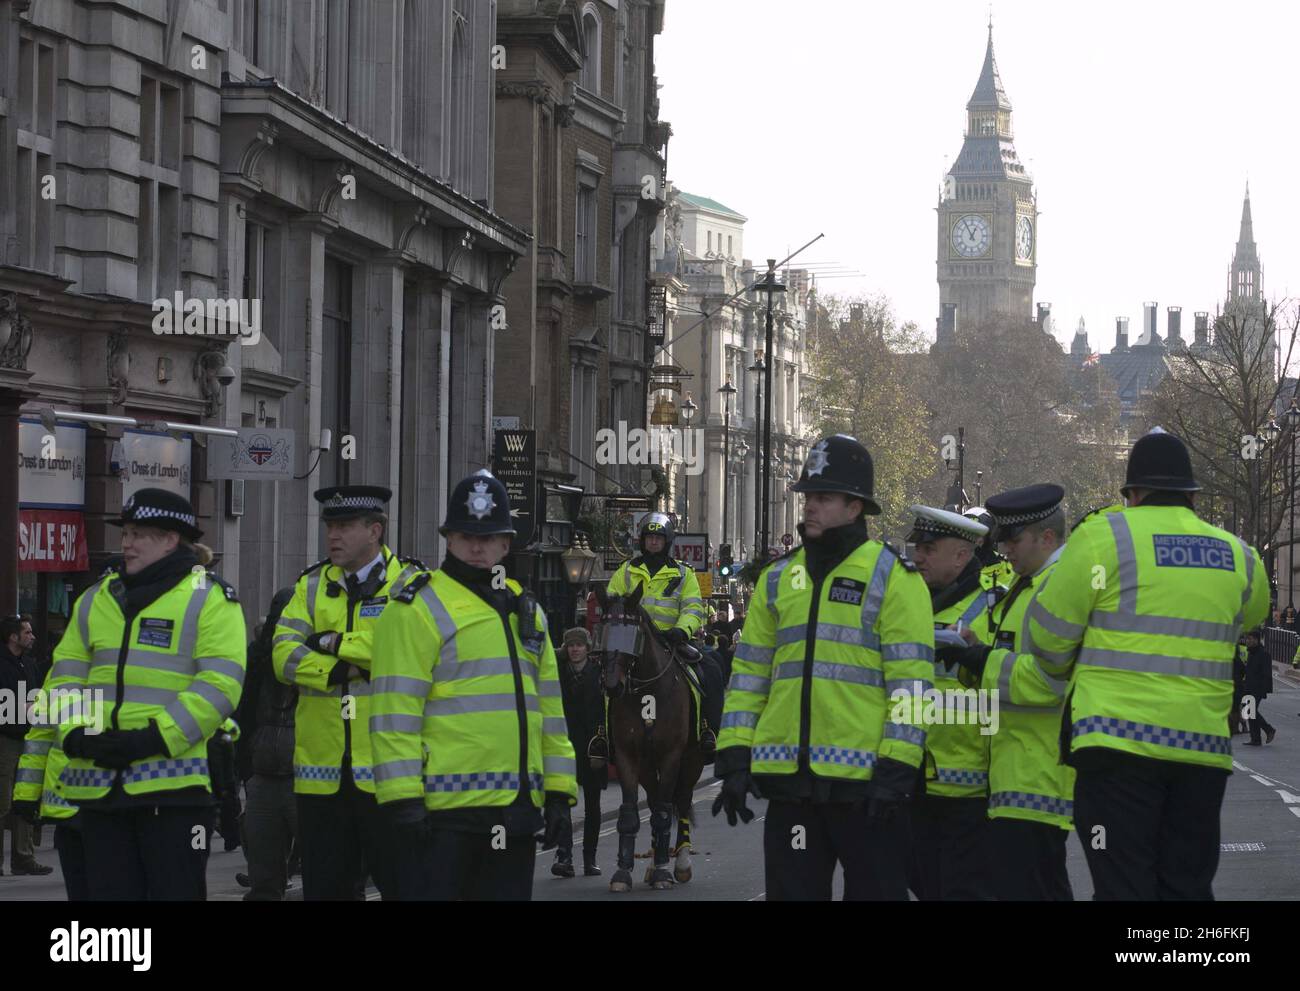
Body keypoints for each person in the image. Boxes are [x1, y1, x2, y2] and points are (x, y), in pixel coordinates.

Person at [1023, 428, 1269, 900]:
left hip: (1114, 750)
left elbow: (1047, 637)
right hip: (1201, 752)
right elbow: (1252, 615)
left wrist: (1062, 668)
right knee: (1188, 885)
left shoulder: (1103, 537)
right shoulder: (1238, 555)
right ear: (1192, 494)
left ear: (1132, 494)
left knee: (1122, 884)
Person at [714, 434, 934, 901]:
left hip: (868, 790)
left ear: (856, 508)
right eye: (808, 496)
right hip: (793, 790)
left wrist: (897, 772)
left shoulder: (892, 576)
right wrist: (734, 756)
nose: (810, 506)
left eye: (824, 497)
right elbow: (749, 677)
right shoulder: (777, 579)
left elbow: (911, 687)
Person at [13, 488, 246, 899]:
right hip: (98, 790)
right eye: (126, 532)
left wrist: (152, 738)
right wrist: (74, 733)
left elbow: (219, 686)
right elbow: (64, 677)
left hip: (175, 795)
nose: (126, 542)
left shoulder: (209, 598)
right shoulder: (95, 600)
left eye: (139, 533)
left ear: (171, 539)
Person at [369, 469, 578, 900]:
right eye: (467, 536)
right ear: (449, 538)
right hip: (442, 816)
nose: (477, 547)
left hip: (514, 813)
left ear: (506, 542)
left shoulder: (527, 613)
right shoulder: (415, 607)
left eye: (489, 537)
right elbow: (394, 712)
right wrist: (402, 799)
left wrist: (559, 792)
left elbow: (551, 715)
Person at [272, 484, 424, 901]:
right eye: (329, 527)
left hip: (388, 772)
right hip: (322, 775)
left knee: (404, 885)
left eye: (343, 526)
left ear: (375, 530)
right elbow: (282, 656)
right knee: (326, 890)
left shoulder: (409, 584)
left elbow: (403, 650)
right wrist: (342, 668)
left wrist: (333, 642)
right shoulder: (310, 586)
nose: (332, 536)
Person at [940, 484, 1076, 901]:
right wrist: (969, 657)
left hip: (1038, 778)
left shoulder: (1055, 591)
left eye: (1013, 539)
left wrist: (980, 659)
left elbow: (1051, 682)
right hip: (1016, 774)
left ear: (1047, 538)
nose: (1004, 549)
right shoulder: (1029, 585)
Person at [904, 505, 992, 901]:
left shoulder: (992, 607)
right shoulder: (905, 600)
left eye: (928, 548)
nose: (917, 556)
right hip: (909, 778)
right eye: (916, 547)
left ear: (961, 555)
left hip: (970, 786)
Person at [601, 513, 712, 759]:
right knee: (606, 679)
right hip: (629, 642)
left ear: (667, 541)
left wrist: (682, 630)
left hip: (672, 641)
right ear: (642, 541)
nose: (653, 542)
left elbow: (693, 608)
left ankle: (706, 730)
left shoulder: (684, 574)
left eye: (658, 538)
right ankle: (602, 735)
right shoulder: (627, 570)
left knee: (710, 673)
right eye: (649, 537)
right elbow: (612, 601)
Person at [236, 587, 299, 899]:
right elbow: (242, 712)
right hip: (262, 774)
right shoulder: (258, 658)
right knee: (263, 877)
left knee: (329, 875)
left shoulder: (319, 658)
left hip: (311, 777)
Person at [552, 627, 606, 878]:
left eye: (579, 645)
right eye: (570, 645)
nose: (574, 649)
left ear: (588, 647)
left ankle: (589, 858)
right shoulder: (557, 674)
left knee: (592, 805)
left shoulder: (599, 674)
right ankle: (564, 856)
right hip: (564, 745)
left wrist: (603, 744)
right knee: (561, 801)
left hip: (592, 746)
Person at [0, 615, 51, 875]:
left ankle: (23, 858)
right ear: (13, 636)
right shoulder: (3, 665)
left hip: (27, 737)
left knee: (24, 799)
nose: (32, 636)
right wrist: (23, 708)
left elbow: (37, 696)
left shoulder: (29, 665)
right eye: (27, 632)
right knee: (3, 802)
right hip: (6, 739)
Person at [1241, 630, 1276, 746]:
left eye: (1250, 639)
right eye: (1247, 639)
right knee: (1248, 711)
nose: (1248, 641)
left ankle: (1268, 729)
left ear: (1257, 640)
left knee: (1251, 710)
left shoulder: (1263, 653)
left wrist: (1263, 689)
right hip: (1248, 686)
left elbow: (1266, 674)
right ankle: (1255, 739)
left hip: (1258, 688)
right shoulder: (1251, 652)